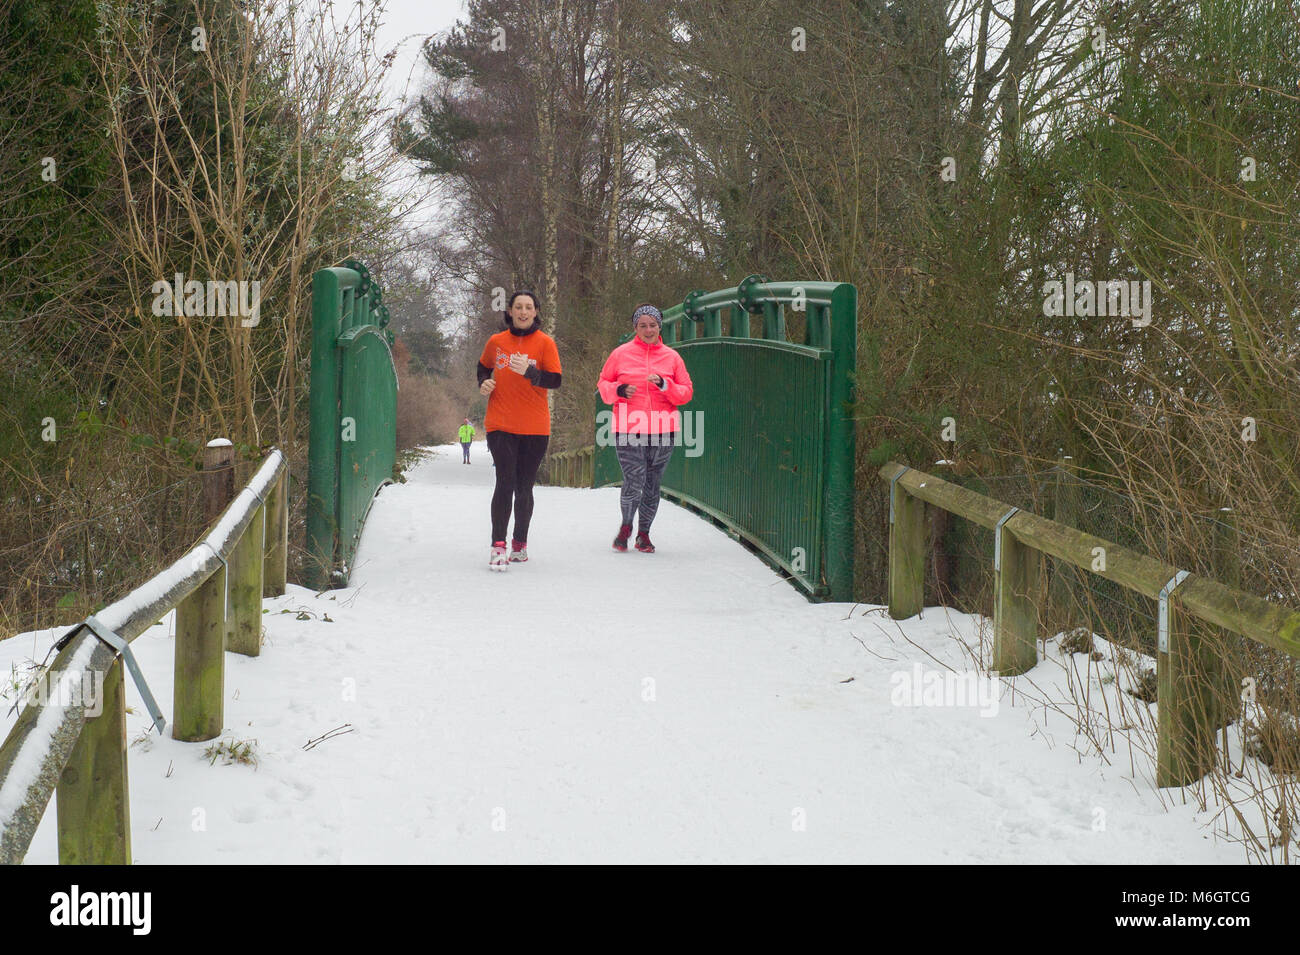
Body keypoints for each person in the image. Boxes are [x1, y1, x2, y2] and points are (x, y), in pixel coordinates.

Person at [596, 303, 693, 553]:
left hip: (663, 430)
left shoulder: (672, 357)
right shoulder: (620, 354)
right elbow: (604, 385)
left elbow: (686, 393)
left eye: (652, 325)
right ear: (635, 328)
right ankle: (626, 526)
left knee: (652, 483)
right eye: (642, 325)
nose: (648, 330)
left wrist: (664, 385)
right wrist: (618, 390)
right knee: (634, 479)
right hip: (629, 427)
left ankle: (644, 534)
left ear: (660, 326)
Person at [476, 290, 562, 570]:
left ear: (536, 311)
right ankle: (498, 545)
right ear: (510, 311)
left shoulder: (545, 343)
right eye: (518, 307)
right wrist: (484, 383)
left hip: (535, 427)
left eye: (529, 307)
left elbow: (555, 380)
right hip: (500, 423)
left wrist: (531, 372)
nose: (523, 312)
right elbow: (483, 367)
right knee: (505, 481)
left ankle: (520, 543)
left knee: (524, 487)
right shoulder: (497, 341)